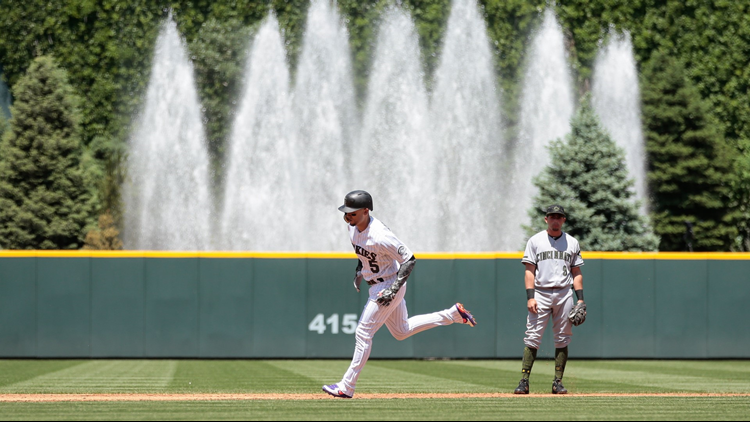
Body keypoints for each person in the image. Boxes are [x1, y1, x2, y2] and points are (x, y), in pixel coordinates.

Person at [322, 190, 477, 399]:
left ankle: (347, 386)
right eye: (346, 212)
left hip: (387, 285)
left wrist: (393, 289)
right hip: (377, 283)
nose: (347, 216)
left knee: (363, 333)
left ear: (366, 211)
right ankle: (453, 315)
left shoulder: (381, 234)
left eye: (352, 212)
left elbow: (409, 259)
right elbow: (364, 253)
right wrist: (360, 270)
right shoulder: (353, 228)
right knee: (401, 331)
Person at [513, 205, 585, 395]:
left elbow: (576, 272)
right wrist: (530, 296)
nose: (555, 219)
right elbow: (529, 271)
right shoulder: (535, 241)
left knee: (562, 338)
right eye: (552, 216)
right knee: (533, 336)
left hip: (564, 293)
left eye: (558, 217)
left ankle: (557, 382)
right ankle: (524, 381)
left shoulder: (572, 242)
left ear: (563, 220)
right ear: (546, 219)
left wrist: (580, 300)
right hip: (541, 293)